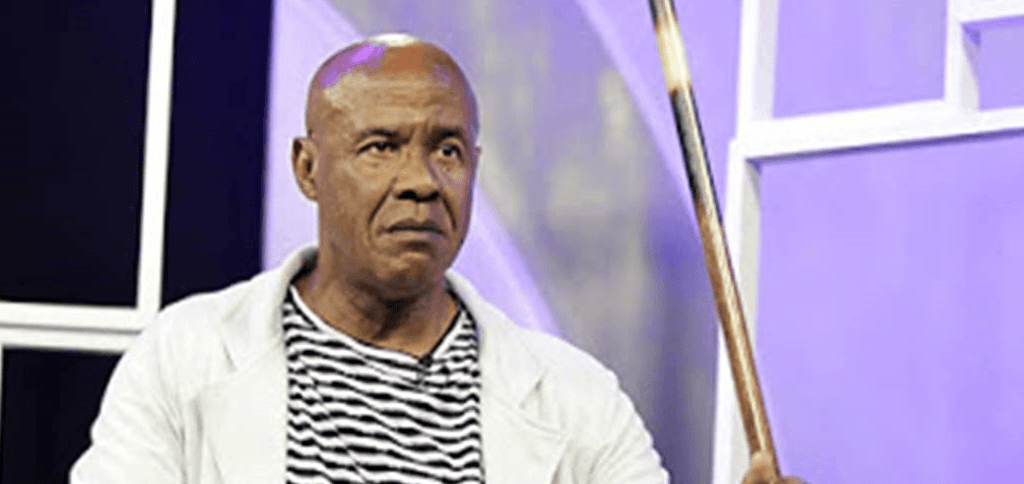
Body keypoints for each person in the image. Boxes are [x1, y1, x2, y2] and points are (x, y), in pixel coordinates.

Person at [71, 33, 803, 484]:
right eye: (380, 147)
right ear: (307, 168)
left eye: (447, 150)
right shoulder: (184, 358)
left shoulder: (578, 400)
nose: (421, 180)